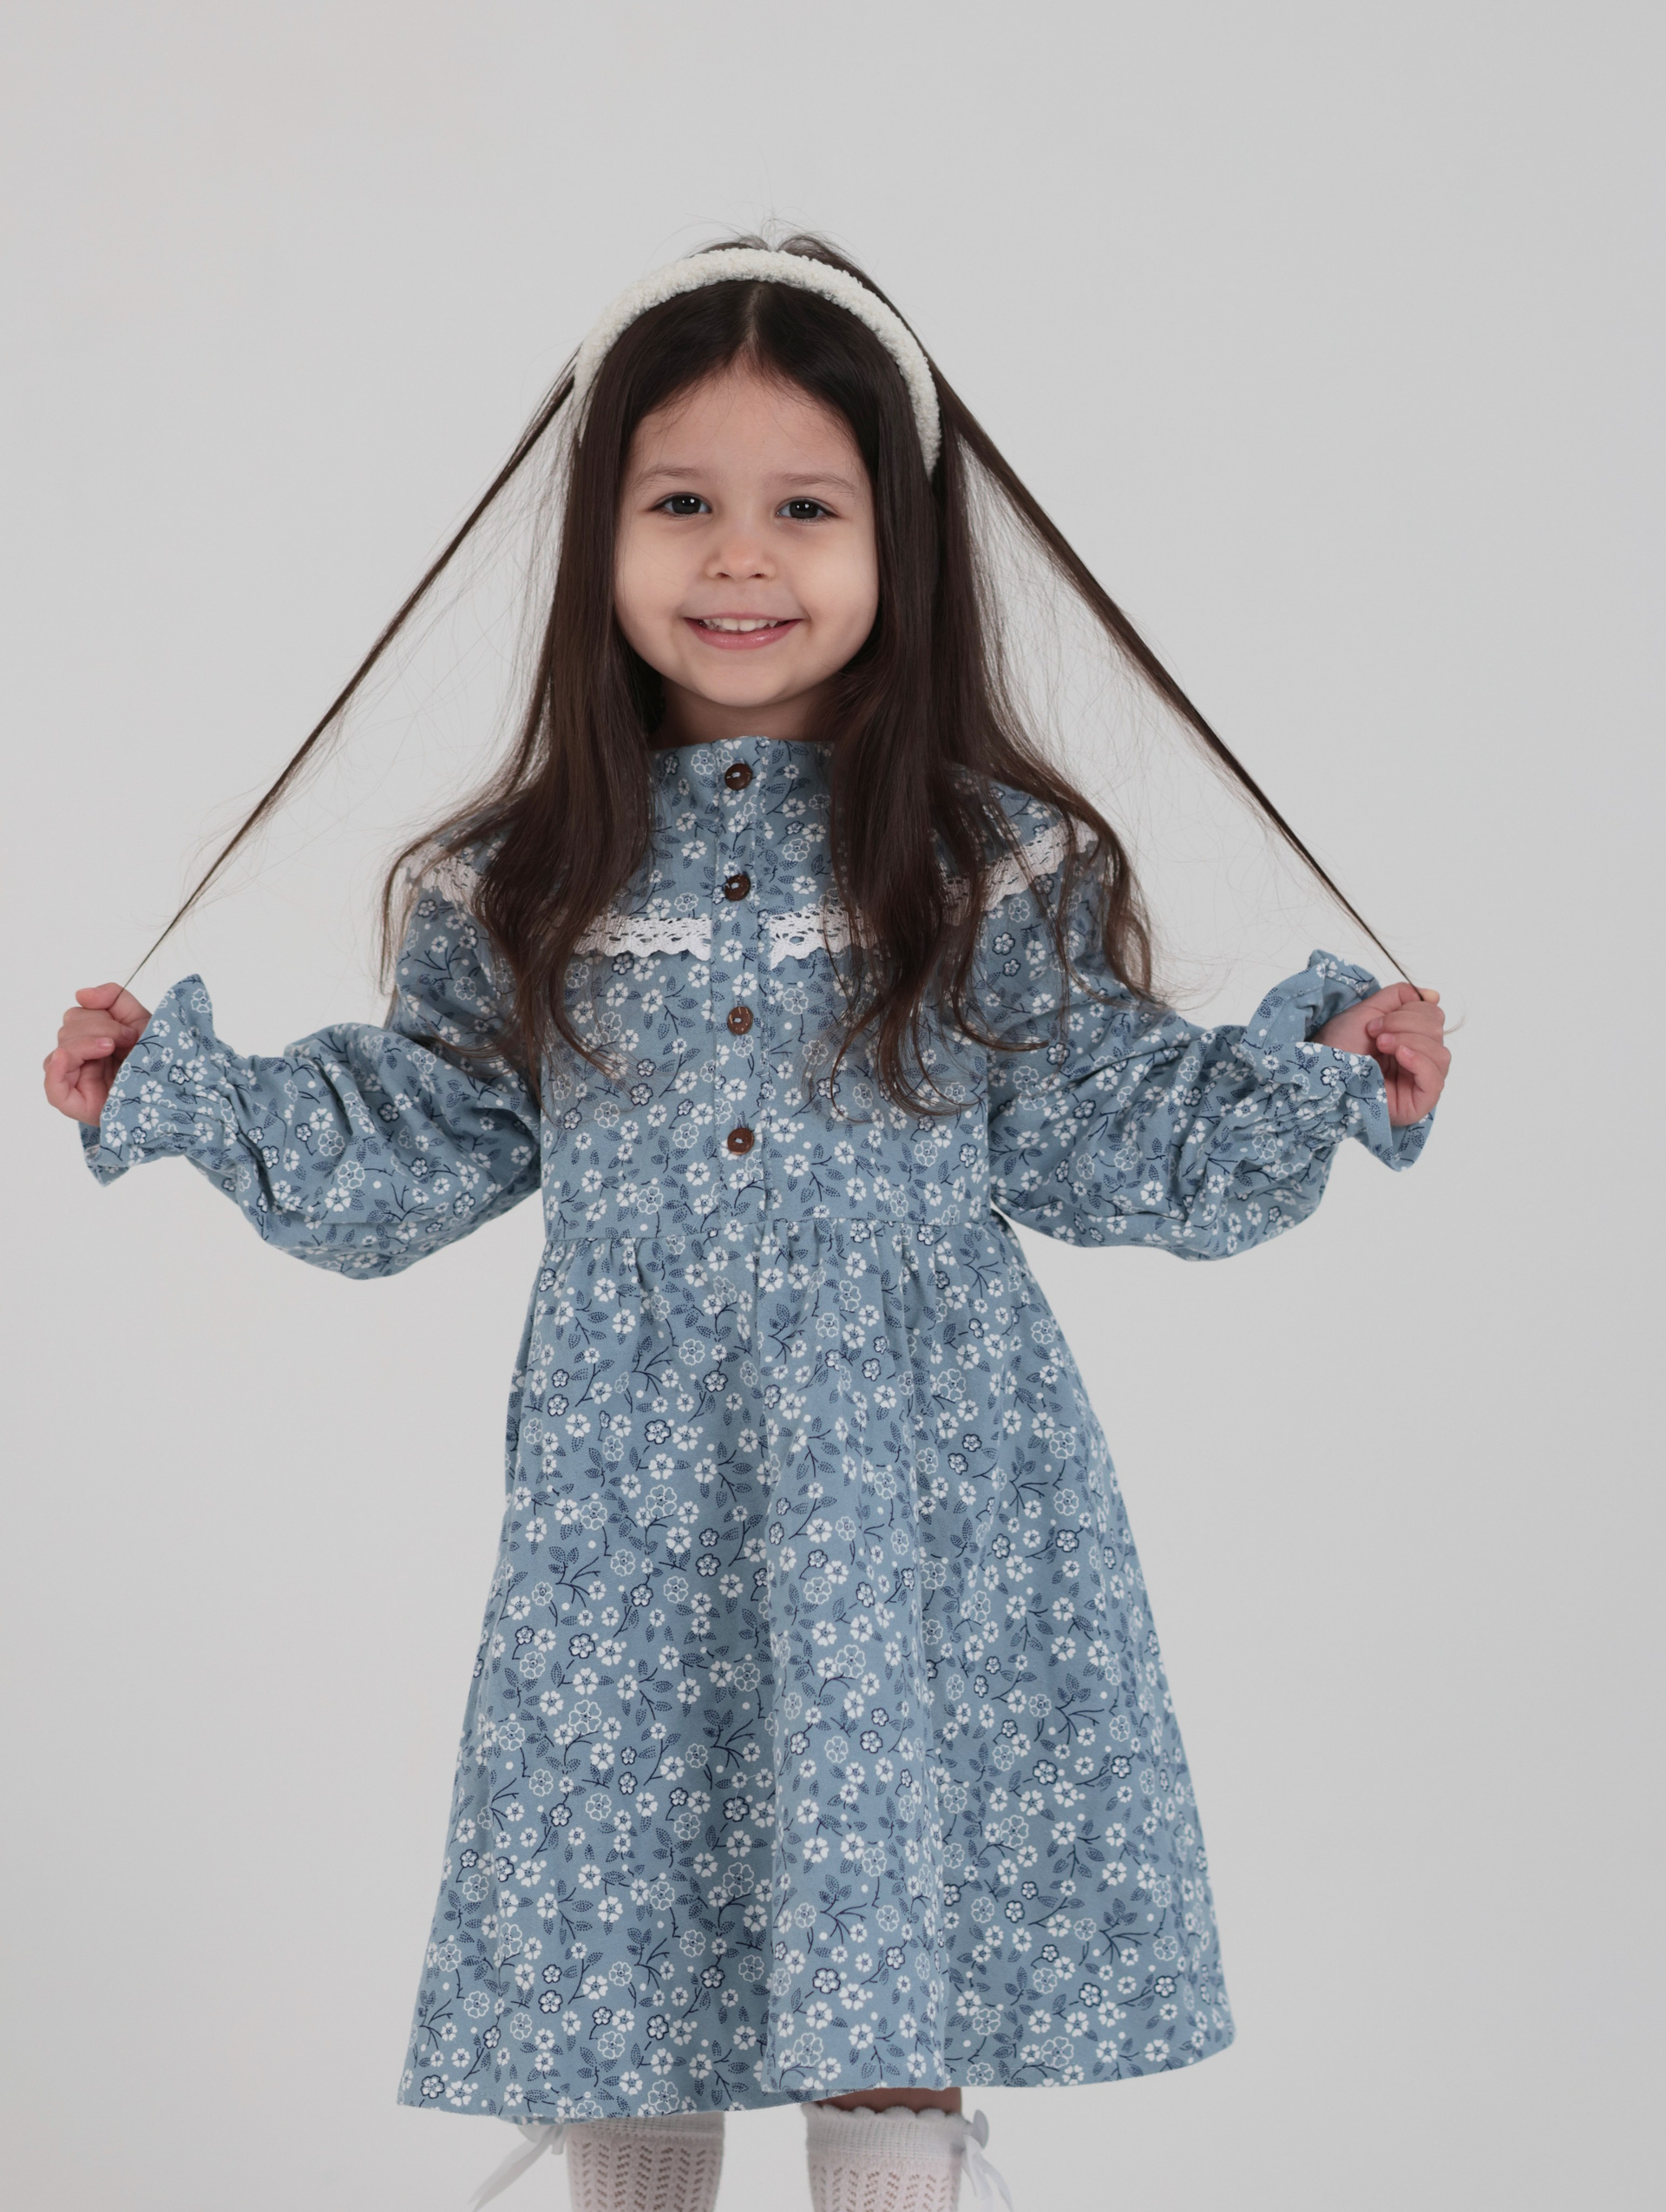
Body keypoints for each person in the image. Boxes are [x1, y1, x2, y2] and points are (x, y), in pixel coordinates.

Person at [43, 238, 1449, 2212]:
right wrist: (194, 1094)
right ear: (598, 538)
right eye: (681, 503)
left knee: (888, 1940)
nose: (739, 558)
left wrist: (1310, 1078)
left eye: (805, 509)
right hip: (633, 1516)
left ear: (900, 545)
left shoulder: (982, 864)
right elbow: (425, 1130)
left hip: (919, 1503)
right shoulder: (523, 877)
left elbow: (1098, 1124)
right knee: (631, 1948)